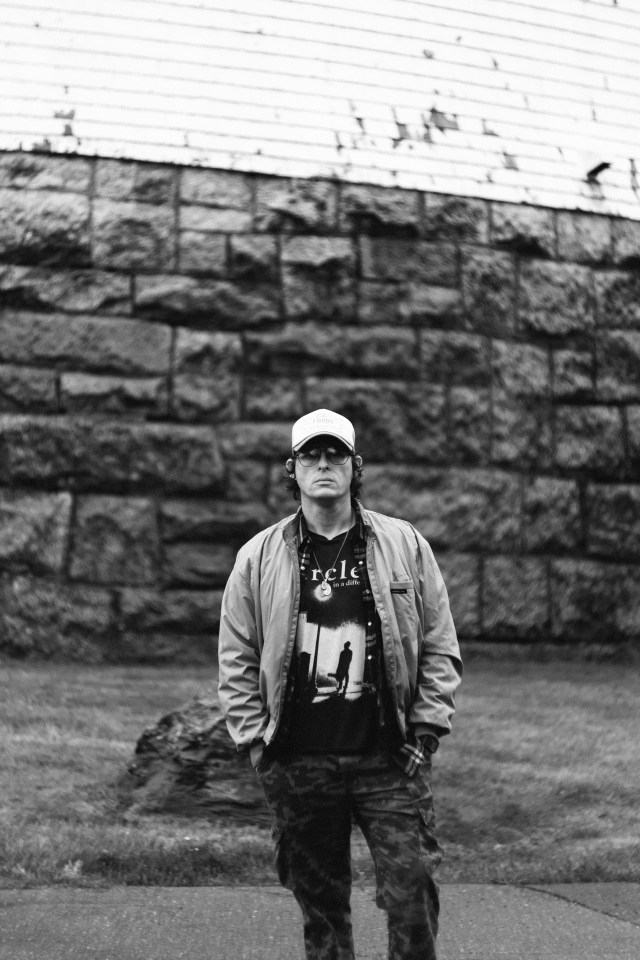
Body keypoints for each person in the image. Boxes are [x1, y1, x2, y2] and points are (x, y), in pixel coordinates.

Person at [218, 408, 462, 960]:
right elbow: (236, 656)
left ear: (356, 466)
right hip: (298, 761)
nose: (323, 463)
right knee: (322, 908)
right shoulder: (258, 557)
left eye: (336, 454)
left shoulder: (405, 544)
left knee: (412, 891)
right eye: (311, 454)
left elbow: (440, 641)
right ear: (293, 468)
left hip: (389, 758)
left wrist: (426, 730)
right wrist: (258, 745)